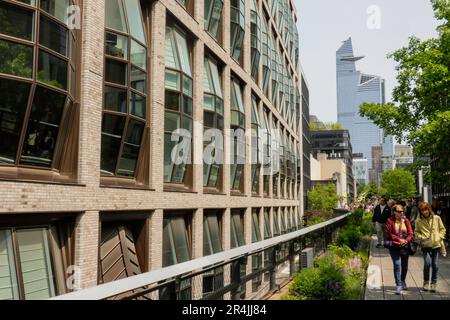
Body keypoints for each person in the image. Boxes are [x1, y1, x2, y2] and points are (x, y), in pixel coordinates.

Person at [414, 202, 447, 292]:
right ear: (420, 211)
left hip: (436, 244)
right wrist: (422, 237)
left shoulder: (436, 218)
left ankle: (434, 283)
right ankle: (426, 282)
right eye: (422, 210)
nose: (424, 212)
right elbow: (416, 232)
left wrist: (440, 237)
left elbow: (442, 229)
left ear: (429, 209)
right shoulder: (418, 221)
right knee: (427, 264)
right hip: (425, 245)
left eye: (426, 209)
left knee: (435, 265)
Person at [385, 204, 414, 295]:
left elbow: (410, 233)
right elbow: (389, 233)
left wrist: (406, 240)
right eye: (398, 211)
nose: (401, 213)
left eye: (402, 211)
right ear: (394, 212)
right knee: (397, 264)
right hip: (394, 246)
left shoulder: (406, 220)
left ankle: (403, 281)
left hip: (405, 246)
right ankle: (398, 285)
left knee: (404, 265)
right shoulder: (389, 220)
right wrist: (399, 240)